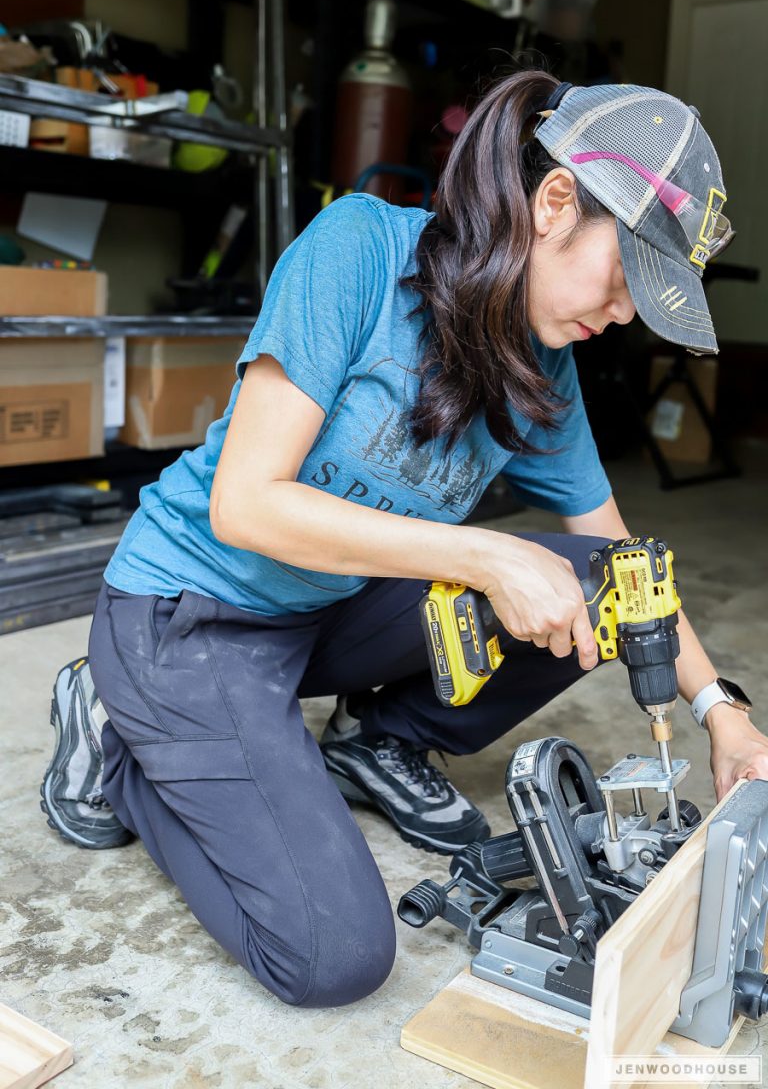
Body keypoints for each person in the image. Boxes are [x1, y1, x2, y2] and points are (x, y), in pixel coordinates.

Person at [41, 71, 768, 1009]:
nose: (624, 315)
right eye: (626, 278)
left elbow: (622, 554)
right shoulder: (358, 250)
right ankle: (119, 739)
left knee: (596, 581)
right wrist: (485, 553)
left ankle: (378, 742)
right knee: (333, 957)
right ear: (554, 203)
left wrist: (722, 711)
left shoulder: (542, 358)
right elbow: (246, 508)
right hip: (188, 615)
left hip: (326, 611)